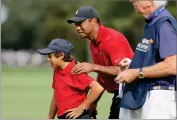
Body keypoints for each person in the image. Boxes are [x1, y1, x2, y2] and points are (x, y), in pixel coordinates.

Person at [67, 6, 134, 119]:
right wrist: (93, 103)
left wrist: (93, 67)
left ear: (93, 21)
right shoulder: (93, 42)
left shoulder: (111, 38)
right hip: (121, 94)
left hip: (133, 93)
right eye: (76, 25)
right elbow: (103, 76)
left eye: (80, 23)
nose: (77, 28)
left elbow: (123, 70)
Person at [115, 0, 176, 119]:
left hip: (158, 97)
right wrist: (133, 65)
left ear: (149, 2)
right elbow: (155, 59)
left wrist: (136, 73)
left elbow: (173, 66)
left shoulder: (164, 23)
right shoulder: (152, 22)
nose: (131, 1)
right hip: (146, 94)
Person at [38, 38, 104, 119]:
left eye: (50, 56)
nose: (48, 59)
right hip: (64, 116)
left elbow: (98, 88)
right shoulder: (57, 70)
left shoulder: (75, 70)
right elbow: (56, 94)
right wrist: (50, 118)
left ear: (61, 55)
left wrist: (81, 108)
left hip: (78, 116)